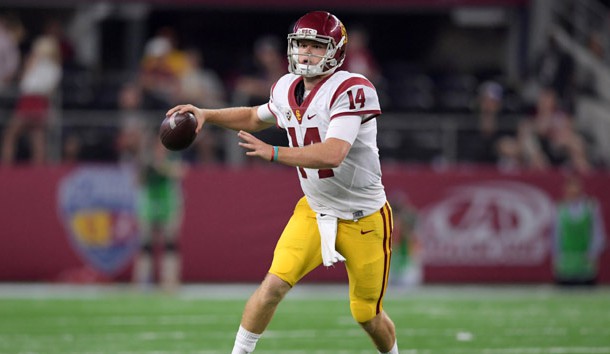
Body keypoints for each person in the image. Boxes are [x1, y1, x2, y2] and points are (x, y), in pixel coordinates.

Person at [167, 11, 399, 354]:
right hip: (315, 211)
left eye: (315, 46)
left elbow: (333, 153)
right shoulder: (286, 86)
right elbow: (252, 116)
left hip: (363, 219)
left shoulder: (353, 89)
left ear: (335, 51)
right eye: (301, 44)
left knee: (366, 314)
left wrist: (274, 153)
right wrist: (205, 113)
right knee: (272, 286)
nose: (305, 53)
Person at [1, 34, 62, 164]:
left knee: (10, 135)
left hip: (30, 101)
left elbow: (25, 84)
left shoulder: (38, 64)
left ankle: (5, 166)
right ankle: (38, 170)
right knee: (37, 137)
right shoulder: (56, 68)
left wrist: (28, 65)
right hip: (40, 103)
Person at [553, 174, 606, 285]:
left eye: (575, 187)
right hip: (567, 263)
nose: (572, 191)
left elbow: (598, 233)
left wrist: (593, 254)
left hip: (585, 261)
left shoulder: (591, 207)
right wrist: (557, 257)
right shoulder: (561, 208)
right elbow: (556, 236)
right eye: (569, 188)